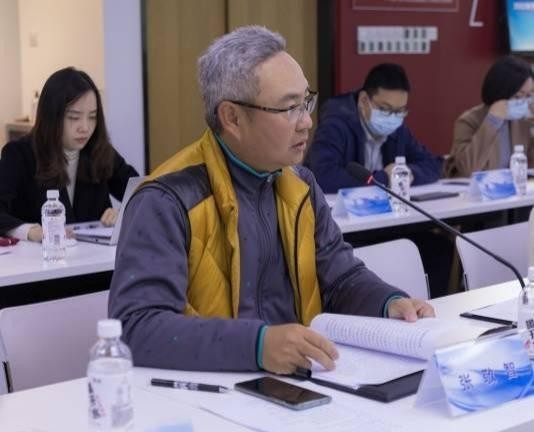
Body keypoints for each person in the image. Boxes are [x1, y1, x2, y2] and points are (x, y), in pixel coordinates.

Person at [108, 26, 434, 375]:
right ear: (232, 117)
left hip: (301, 379)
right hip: (216, 388)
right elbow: (136, 327)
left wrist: (387, 302)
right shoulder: (167, 199)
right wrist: (258, 344)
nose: (306, 122)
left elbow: (341, 278)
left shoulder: (300, 185)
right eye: (289, 108)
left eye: (306, 102)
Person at [0, 67, 138, 242]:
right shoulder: (19, 154)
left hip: (94, 256)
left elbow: (143, 192)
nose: (85, 127)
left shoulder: (98, 149)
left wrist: (124, 212)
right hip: (41, 256)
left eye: (92, 117)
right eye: (74, 117)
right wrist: (30, 231)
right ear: (51, 116)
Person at [305, 63, 442, 194]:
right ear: (364, 100)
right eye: (385, 109)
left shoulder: (398, 129)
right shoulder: (336, 125)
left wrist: (407, 173)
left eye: (399, 111)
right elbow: (323, 176)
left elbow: (432, 164)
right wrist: (385, 178)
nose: (392, 117)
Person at [445, 55, 534, 178]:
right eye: (518, 96)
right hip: (474, 189)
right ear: (501, 92)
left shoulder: (521, 122)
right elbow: (468, 169)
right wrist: (492, 121)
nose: (524, 102)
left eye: (529, 95)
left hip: (512, 187)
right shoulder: (468, 121)